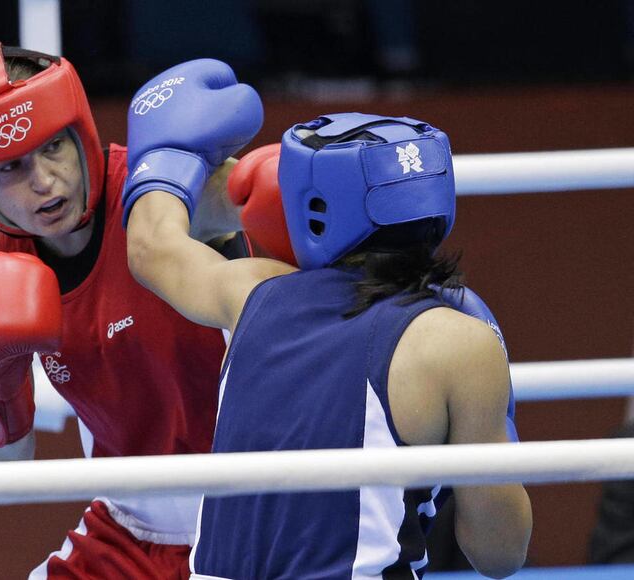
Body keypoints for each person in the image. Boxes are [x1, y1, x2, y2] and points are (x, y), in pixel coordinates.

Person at [125, 111, 533, 578]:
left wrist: (166, 156)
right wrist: (496, 432)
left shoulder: (253, 294)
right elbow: (500, 555)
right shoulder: (458, 343)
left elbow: (150, 247)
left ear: (312, 206)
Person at [0, 41, 263, 578]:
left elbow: (270, 196)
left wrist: (255, 174)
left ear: (79, 130)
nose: (43, 181)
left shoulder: (163, 195)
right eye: (10, 167)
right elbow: (2, 468)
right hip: (127, 531)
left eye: (54, 146)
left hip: (252, 520)